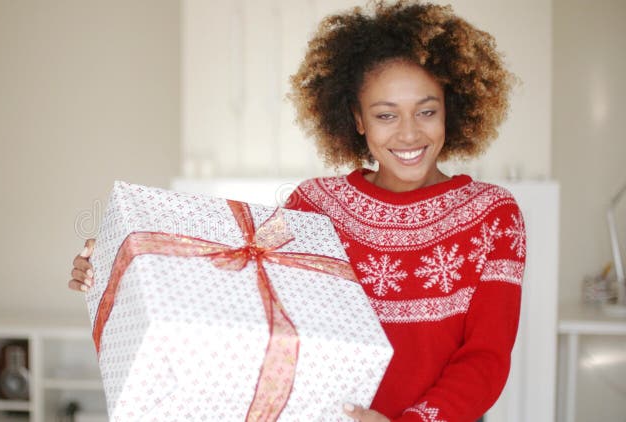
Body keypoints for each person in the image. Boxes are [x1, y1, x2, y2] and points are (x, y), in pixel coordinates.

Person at [69, 1, 525, 421]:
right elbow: (232, 281)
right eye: (386, 115)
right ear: (358, 119)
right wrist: (121, 263)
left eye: (426, 112)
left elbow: (486, 357)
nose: (409, 134)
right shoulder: (315, 205)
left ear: (452, 109)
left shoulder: (493, 215)